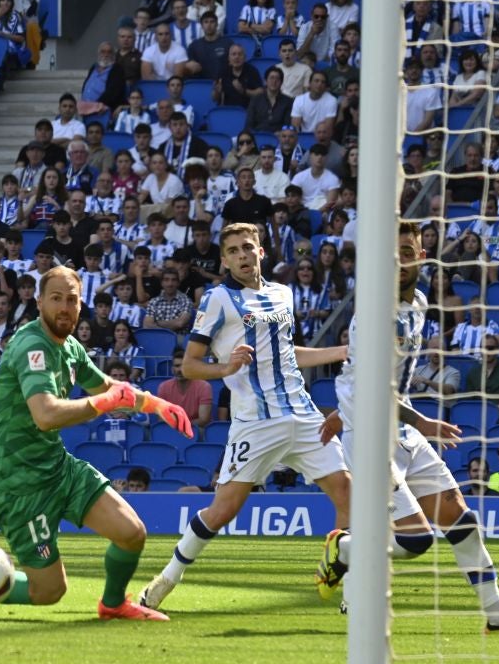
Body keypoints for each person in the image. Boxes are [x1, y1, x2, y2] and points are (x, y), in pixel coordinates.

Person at [0, 266, 194, 621]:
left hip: (58, 468)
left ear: (81, 305)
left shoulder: (70, 347)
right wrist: (102, 405)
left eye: (72, 299)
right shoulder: (30, 346)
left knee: (131, 533)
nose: (65, 307)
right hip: (21, 486)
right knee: (49, 592)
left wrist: (157, 404)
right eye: (56, 299)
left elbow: (107, 388)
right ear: (39, 303)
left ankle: (112, 605)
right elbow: (46, 415)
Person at [316, 223, 499, 632]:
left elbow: (361, 373)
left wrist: (340, 410)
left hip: (401, 430)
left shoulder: (418, 303)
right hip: (371, 435)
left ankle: (498, 617)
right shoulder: (375, 313)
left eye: (408, 250)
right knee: (415, 541)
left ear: (421, 256)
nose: (400, 259)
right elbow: (368, 383)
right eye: (393, 252)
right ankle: (344, 547)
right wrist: (418, 419)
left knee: (463, 522)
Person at [138, 223, 350, 611]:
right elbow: (190, 365)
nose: (241, 255)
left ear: (261, 252)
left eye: (247, 247)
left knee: (347, 493)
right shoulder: (218, 299)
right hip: (255, 420)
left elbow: (287, 355)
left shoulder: (283, 294)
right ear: (224, 259)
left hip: (302, 413)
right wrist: (226, 367)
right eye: (233, 250)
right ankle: (167, 578)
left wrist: (339, 352)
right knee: (223, 510)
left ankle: (351, 596)